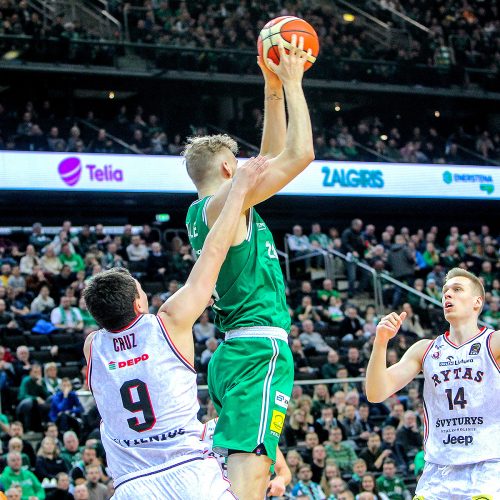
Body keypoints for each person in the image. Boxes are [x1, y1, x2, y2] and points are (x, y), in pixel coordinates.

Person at [82, 155, 268, 498]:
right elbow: (213, 251)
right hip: (187, 472)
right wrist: (239, 189)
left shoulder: (92, 345)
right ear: (139, 303)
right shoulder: (168, 322)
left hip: (132, 484)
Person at [184, 35, 314, 499]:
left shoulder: (213, 211)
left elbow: (272, 156)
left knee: (239, 476)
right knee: (250, 479)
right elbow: (299, 156)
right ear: (225, 172)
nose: (248, 168)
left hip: (233, 353)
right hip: (258, 351)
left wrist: (272, 85)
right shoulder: (225, 206)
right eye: (238, 164)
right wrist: (295, 82)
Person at [366, 268, 500, 499]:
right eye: (445, 291)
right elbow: (376, 393)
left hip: (487, 467)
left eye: (457, 290)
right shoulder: (425, 349)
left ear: (477, 302)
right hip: (438, 470)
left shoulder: (493, 342)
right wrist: (380, 342)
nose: (448, 295)